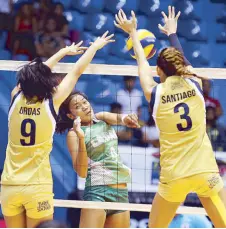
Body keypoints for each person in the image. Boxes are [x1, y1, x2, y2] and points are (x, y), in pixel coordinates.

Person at [114, 6, 226, 228]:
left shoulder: (154, 93)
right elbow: (183, 61)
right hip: (205, 171)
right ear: (182, 67)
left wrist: (133, 34)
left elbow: (142, 66)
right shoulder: (195, 84)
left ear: (159, 71)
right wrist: (172, 33)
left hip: (174, 177)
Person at [1, 31, 114, 228]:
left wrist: (61, 53)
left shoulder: (15, 95)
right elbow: (77, 71)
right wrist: (93, 47)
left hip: (9, 186)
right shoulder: (51, 102)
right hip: (37, 186)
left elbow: (35, 74)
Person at [56, 91, 140, 228]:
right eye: (77, 106)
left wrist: (129, 118)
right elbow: (82, 172)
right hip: (97, 191)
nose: (84, 106)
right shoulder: (73, 135)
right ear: (71, 115)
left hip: (121, 192)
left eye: (84, 101)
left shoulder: (102, 118)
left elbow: (121, 119)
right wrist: (81, 137)